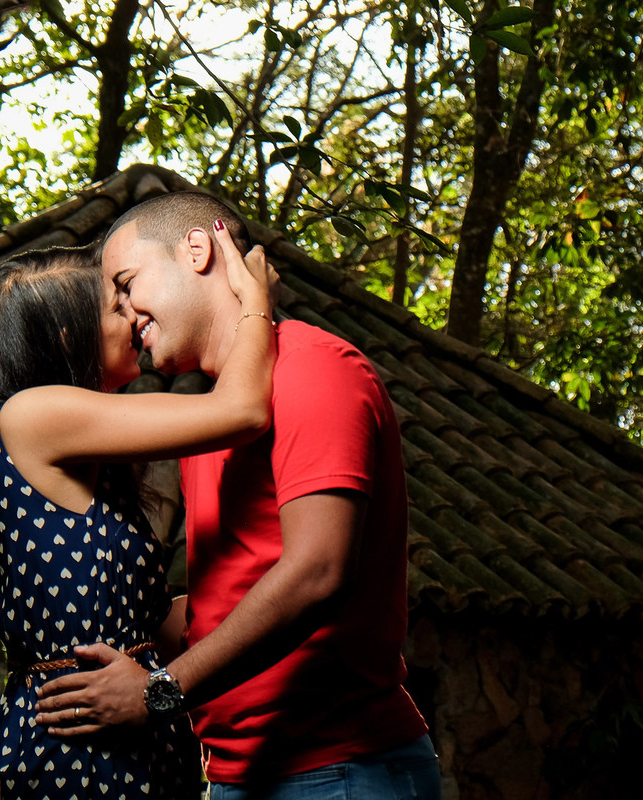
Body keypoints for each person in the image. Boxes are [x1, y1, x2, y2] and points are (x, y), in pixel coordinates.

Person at [33, 191, 440, 799]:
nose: (123, 313)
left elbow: (318, 572)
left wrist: (156, 691)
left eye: (127, 282)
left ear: (197, 250)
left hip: (335, 770)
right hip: (239, 775)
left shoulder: (311, 369)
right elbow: (229, 598)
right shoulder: (219, 417)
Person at [0, 221, 277, 800]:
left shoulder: (64, 461)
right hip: (78, 756)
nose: (135, 314)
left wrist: (273, 590)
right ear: (69, 334)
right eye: (116, 305)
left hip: (136, 738)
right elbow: (241, 411)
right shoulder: (34, 414)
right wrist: (253, 300)